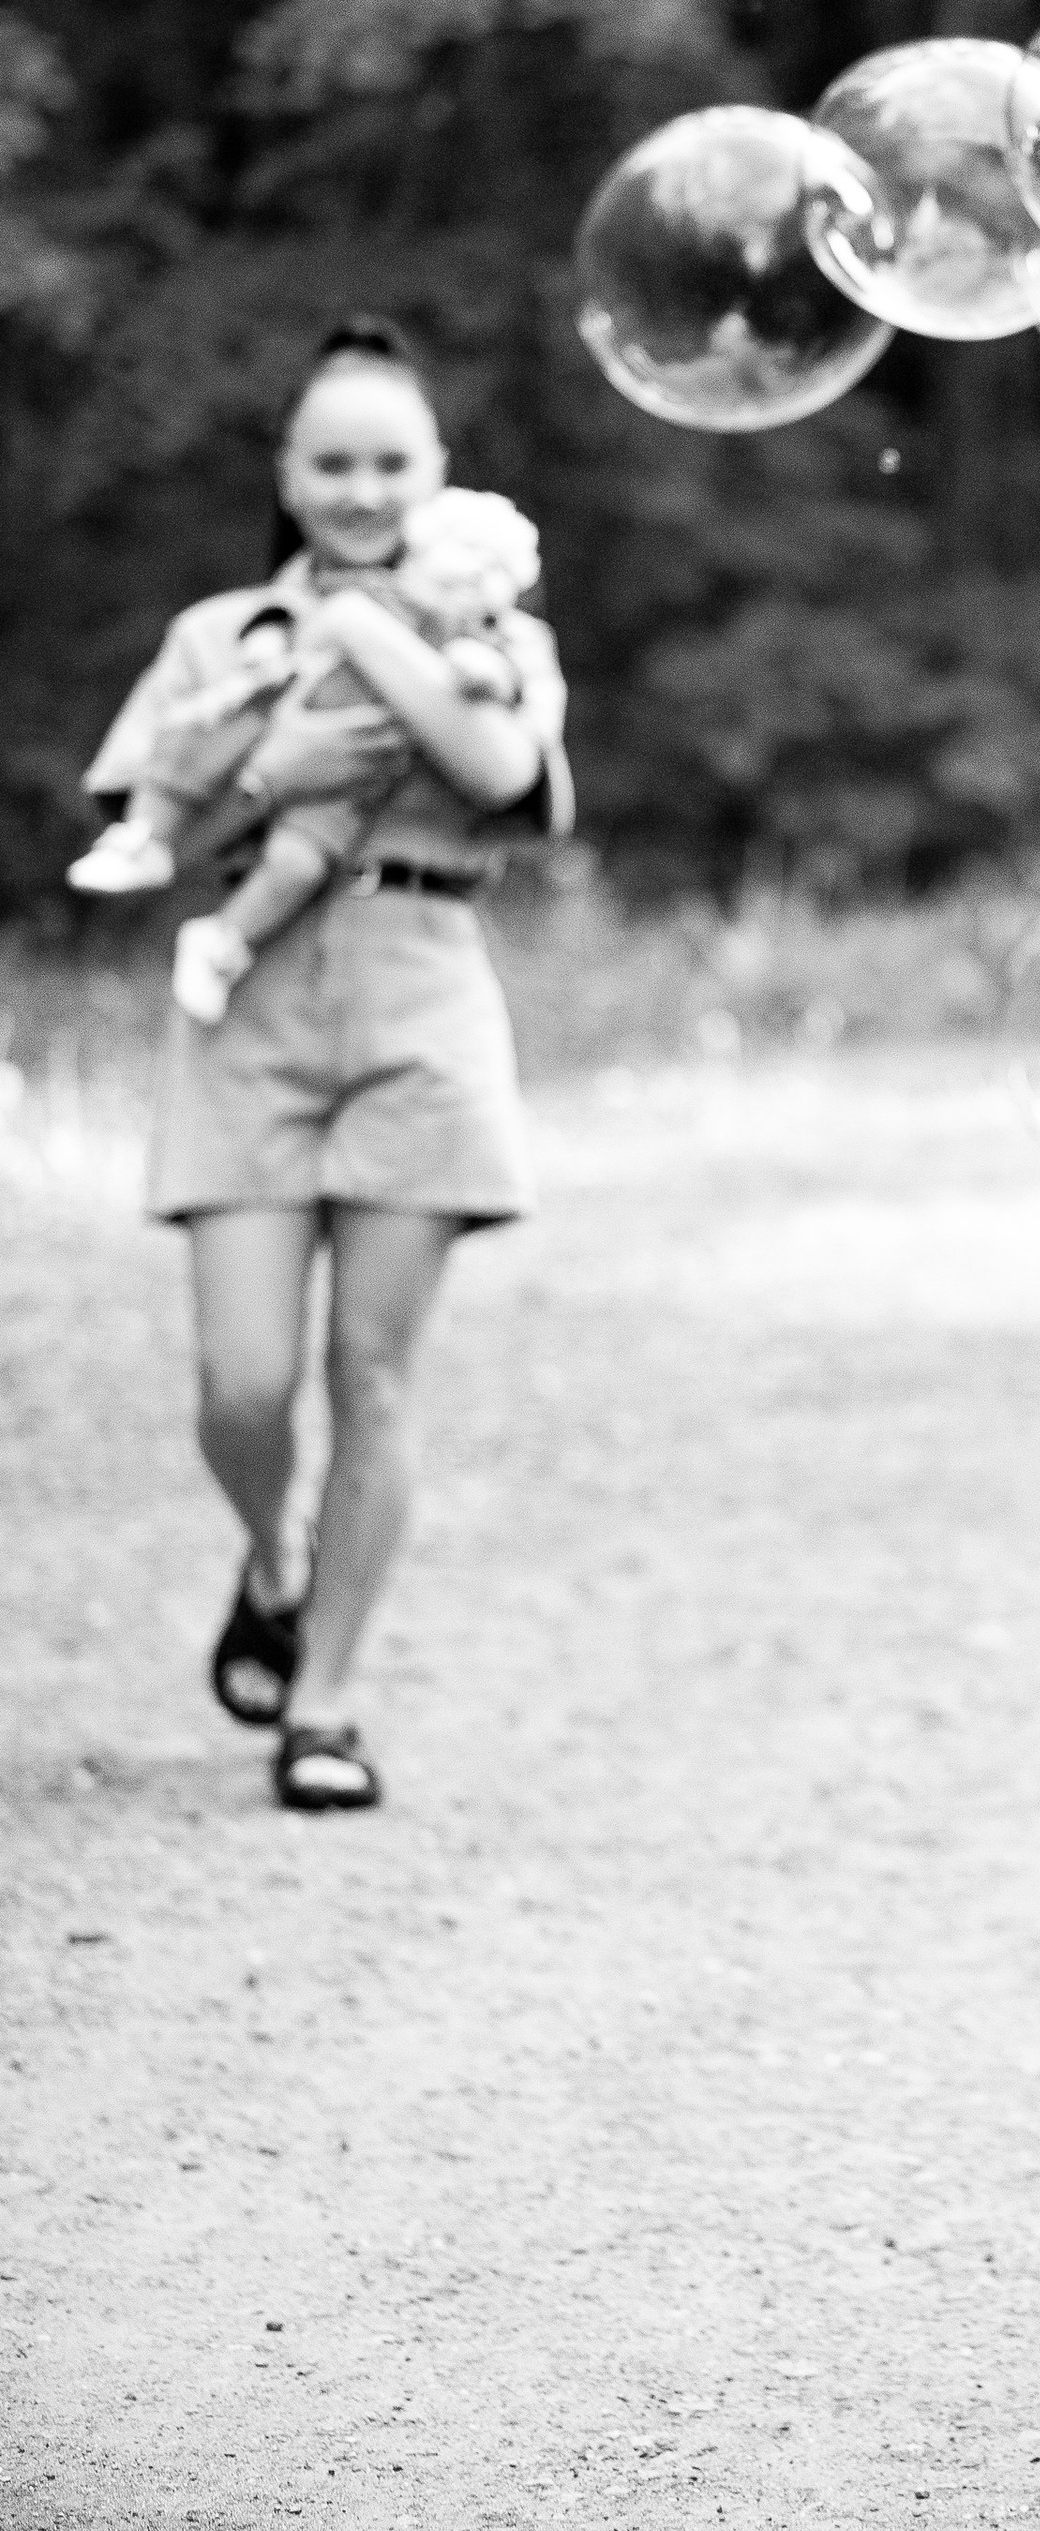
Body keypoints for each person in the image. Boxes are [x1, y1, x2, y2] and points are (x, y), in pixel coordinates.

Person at [79, 317, 571, 1814]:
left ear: (438, 478)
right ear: (288, 477)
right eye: (332, 461)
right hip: (249, 1011)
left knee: (372, 1371)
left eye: (391, 461)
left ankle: (329, 1704)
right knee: (243, 1384)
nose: (361, 489)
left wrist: (371, 641)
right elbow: (163, 817)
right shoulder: (217, 638)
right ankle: (274, 1554)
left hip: (426, 1001)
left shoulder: (504, 636)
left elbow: (505, 786)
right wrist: (301, 681)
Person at [69, 484, 544, 1027]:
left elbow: (508, 747)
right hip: (281, 716)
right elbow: (293, 624)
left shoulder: (495, 638)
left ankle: (224, 941)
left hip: (360, 811)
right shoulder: (362, 596)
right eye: (466, 563)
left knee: (297, 863)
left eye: (497, 575)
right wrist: (269, 759)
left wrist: (483, 672)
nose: (477, 583)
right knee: (200, 737)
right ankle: (143, 836)